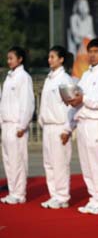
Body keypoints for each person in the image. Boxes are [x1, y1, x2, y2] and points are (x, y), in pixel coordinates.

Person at [65, 38, 98, 215]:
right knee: (87, 164)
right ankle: (93, 198)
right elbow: (78, 95)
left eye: (96, 51)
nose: (92, 55)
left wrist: (83, 99)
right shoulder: (87, 75)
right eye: (90, 51)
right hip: (83, 122)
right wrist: (72, 101)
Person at [38, 46, 73, 209]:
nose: (49, 59)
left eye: (53, 57)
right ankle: (54, 195)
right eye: (49, 57)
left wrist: (67, 129)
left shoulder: (65, 79)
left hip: (60, 126)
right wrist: (41, 120)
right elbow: (44, 103)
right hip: (48, 126)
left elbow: (72, 105)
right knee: (49, 163)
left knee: (60, 163)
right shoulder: (49, 79)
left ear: (61, 59)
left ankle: (62, 196)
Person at [0, 46, 35, 205]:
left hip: (16, 125)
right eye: (8, 58)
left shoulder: (23, 77)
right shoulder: (9, 77)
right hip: (6, 124)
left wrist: (22, 125)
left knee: (18, 160)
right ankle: (13, 191)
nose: (9, 61)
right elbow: (3, 102)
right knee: (8, 160)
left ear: (20, 59)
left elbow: (27, 102)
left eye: (11, 58)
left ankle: (20, 193)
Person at [68, 0, 96, 79]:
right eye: (81, 5)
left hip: (88, 41)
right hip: (77, 42)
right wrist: (84, 37)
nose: (83, 7)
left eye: (85, 5)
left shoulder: (89, 18)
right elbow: (74, 32)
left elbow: (92, 32)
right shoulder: (73, 18)